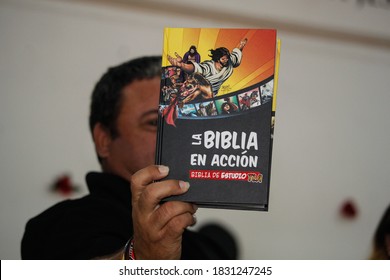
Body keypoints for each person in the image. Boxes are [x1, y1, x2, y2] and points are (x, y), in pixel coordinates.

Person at [21, 56, 237, 260]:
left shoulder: (202, 245)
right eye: (154, 123)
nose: (176, 132)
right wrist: (141, 258)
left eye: (185, 120)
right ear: (104, 139)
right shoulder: (61, 225)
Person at [168, 38, 247, 96]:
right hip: (196, 91)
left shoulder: (230, 61)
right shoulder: (209, 67)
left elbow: (236, 52)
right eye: (223, 59)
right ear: (217, 59)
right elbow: (195, 68)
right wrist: (181, 65)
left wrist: (242, 44)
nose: (226, 60)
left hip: (211, 94)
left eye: (227, 58)